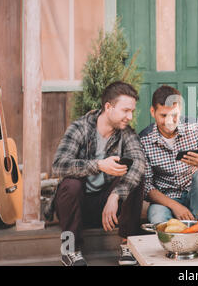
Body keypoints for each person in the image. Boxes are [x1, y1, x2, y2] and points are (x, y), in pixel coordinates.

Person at [45, 81, 147, 266]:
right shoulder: (80, 128)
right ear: (108, 107)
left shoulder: (126, 134)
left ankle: (128, 246)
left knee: (136, 177)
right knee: (70, 184)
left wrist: (116, 195)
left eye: (131, 111)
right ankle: (70, 250)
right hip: (77, 206)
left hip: (108, 208)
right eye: (125, 110)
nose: (130, 116)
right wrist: (99, 165)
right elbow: (59, 166)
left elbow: (139, 163)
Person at [139, 85, 198, 224]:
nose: (169, 121)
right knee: (156, 217)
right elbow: (147, 188)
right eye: (163, 115)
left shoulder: (197, 127)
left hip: (195, 194)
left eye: (174, 115)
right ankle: (179, 233)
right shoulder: (143, 140)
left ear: (180, 110)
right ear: (152, 111)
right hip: (166, 198)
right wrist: (176, 206)